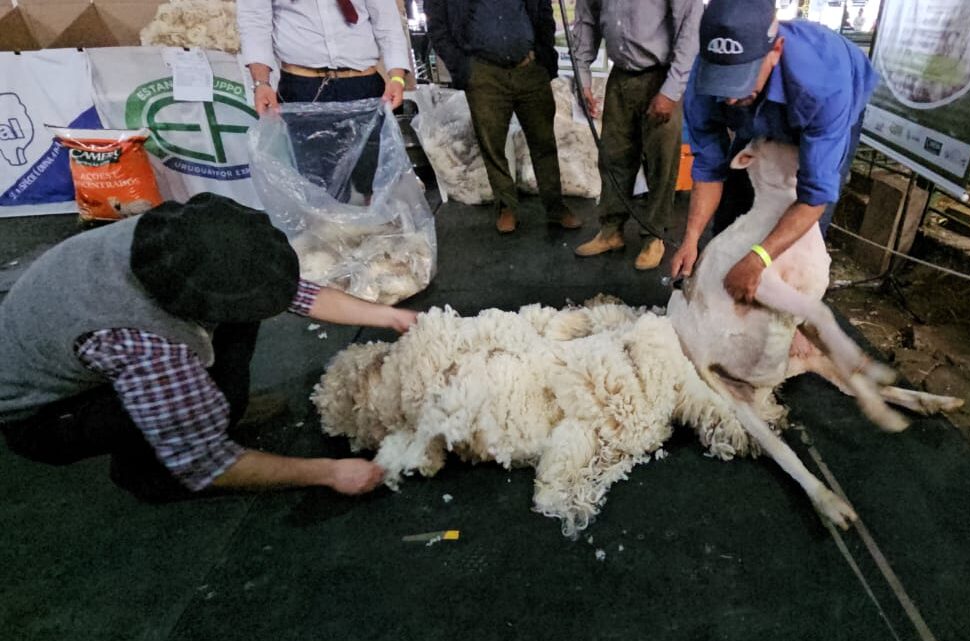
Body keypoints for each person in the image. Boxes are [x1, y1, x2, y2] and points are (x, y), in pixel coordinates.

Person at [0, 194, 417, 501]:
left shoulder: (170, 238)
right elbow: (208, 464)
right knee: (183, 449)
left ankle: (209, 408)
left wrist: (392, 317)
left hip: (71, 337)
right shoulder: (147, 343)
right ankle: (149, 471)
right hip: (43, 417)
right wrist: (328, 473)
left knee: (249, 305)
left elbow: (289, 291)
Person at [670, 0, 878, 304]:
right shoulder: (706, 84)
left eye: (740, 79)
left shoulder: (824, 87)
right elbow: (710, 167)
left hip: (813, 108)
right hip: (758, 110)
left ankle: (789, 313)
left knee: (802, 224)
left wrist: (758, 258)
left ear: (776, 50)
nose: (727, 98)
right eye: (722, 82)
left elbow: (814, 195)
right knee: (735, 198)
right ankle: (725, 297)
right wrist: (691, 238)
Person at [425, 0, 582, 233]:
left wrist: (543, 55)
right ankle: (506, 207)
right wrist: (463, 67)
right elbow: (437, 25)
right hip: (483, 73)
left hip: (530, 69)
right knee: (492, 146)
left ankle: (555, 207)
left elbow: (544, 12)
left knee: (544, 142)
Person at [571, 0, 703, 270]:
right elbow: (586, 20)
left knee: (661, 164)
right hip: (620, 77)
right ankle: (611, 231)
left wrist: (670, 91)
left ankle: (654, 236)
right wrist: (582, 77)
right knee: (612, 156)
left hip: (660, 77)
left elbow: (690, 30)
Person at [237, 0, 412, 204]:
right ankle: (333, 235)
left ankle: (384, 232)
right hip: (304, 89)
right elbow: (255, 21)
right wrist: (261, 82)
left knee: (378, 180)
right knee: (319, 187)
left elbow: (387, 21)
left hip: (362, 83)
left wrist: (397, 77)